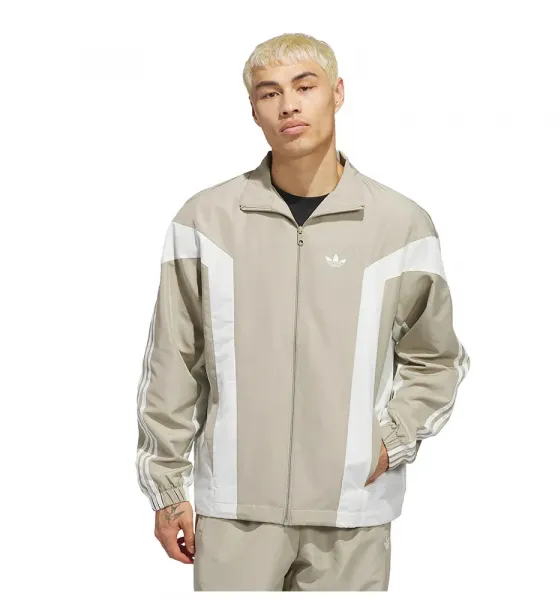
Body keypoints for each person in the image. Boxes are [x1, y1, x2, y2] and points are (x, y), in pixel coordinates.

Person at [135, 32, 471, 592]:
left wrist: (390, 438)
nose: (288, 105)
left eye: (304, 86)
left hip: (353, 508)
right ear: (254, 111)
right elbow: (173, 362)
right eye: (269, 93)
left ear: (337, 93)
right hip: (235, 509)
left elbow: (437, 359)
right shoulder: (205, 222)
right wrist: (167, 491)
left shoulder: (400, 225)